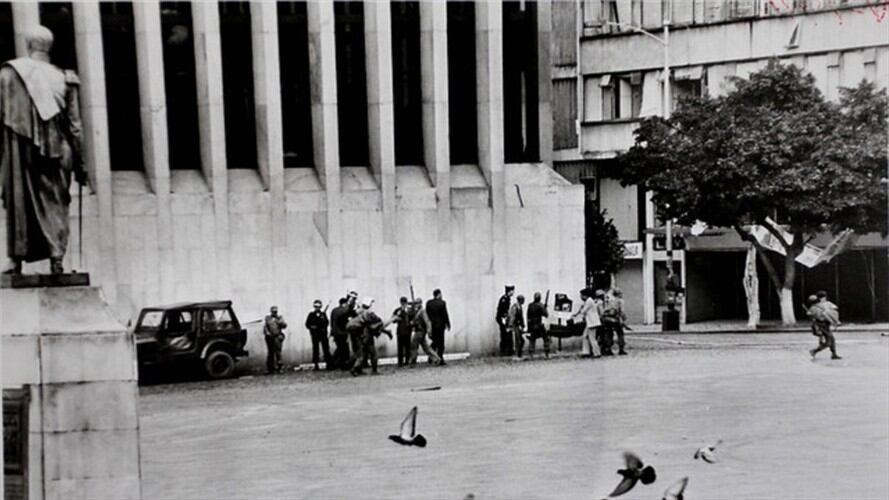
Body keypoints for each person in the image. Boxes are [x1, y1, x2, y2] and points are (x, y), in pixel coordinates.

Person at [1, 25, 87, 275]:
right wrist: (82, 164)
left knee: (20, 200)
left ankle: (15, 260)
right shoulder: (65, 77)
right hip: (58, 149)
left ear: (28, 46)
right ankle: (56, 260)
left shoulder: (8, 74)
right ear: (49, 47)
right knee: (56, 204)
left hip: (21, 149)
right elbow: (75, 126)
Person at [349, 297, 393, 376]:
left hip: (358, 335)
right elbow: (377, 323)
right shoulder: (369, 313)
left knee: (362, 354)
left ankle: (358, 369)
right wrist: (385, 330)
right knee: (373, 353)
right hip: (367, 335)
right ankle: (372, 370)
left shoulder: (357, 312)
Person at [408, 297, 443, 366]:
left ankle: (412, 361)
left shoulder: (422, 311)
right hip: (419, 331)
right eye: (415, 303)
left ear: (420, 303)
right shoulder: (417, 311)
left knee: (414, 346)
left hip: (420, 331)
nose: (415, 305)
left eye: (417, 303)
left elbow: (427, 321)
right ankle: (436, 359)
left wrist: (429, 331)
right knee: (426, 347)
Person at [808, 291, 841, 360]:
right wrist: (834, 322)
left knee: (832, 339)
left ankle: (834, 354)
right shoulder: (823, 306)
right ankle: (814, 351)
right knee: (829, 341)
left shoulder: (812, 308)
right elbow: (826, 315)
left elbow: (811, 316)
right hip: (823, 326)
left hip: (821, 326)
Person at [572, 288, 601, 358]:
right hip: (590, 322)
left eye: (581, 295)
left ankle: (597, 353)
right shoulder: (587, 301)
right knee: (585, 336)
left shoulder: (589, 301)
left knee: (592, 338)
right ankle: (586, 352)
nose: (580, 297)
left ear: (585, 295)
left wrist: (578, 314)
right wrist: (576, 314)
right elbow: (582, 309)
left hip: (592, 322)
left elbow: (584, 311)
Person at [305, 300, 332, 371]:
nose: (318, 308)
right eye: (316, 306)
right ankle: (316, 364)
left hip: (323, 334)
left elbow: (327, 323)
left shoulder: (323, 314)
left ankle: (328, 363)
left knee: (326, 349)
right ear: (314, 307)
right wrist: (313, 327)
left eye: (319, 307)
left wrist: (322, 327)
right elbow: (307, 324)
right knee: (315, 350)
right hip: (315, 335)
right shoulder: (311, 315)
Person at [426, 289, 451, 363]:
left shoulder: (429, 303)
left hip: (432, 325)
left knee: (435, 341)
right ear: (439, 294)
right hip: (440, 326)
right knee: (441, 343)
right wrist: (448, 324)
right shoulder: (442, 303)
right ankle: (440, 358)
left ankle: (431, 357)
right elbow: (445, 314)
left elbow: (427, 315)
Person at [329, 298, 352, 370]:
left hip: (335, 332)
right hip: (341, 332)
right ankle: (341, 364)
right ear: (344, 303)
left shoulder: (334, 310)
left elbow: (332, 322)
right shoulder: (343, 311)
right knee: (343, 349)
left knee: (340, 348)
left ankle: (333, 363)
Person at [263, 306, 287, 374]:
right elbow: (265, 327)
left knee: (278, 352)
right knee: (270, 353)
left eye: (275, 311)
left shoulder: (279, 318)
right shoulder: (268, 318)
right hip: (270, 337)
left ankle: (280, 367)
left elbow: (284, 326)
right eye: (273, 311)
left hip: (277, 336)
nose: (274, 313)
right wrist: (267, 332)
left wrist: (280, 322)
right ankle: (270, 368)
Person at [526, 292, 550, 359]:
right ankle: (547, 354)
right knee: (546, 338)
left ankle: (531, 355)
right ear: (540, 298)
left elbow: (528, 316)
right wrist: (545, 308)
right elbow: (546, 315)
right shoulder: (540, 305)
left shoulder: (530, 305)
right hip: (539, 325)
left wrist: (529, 327)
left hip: (533, 325)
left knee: (532, 339)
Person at [392, 297, 414, 367]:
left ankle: (403, 362)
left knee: (405, 347)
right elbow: (393, 320)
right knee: (403, 347)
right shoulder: (398, 310)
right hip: (402, 331)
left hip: (405, 330)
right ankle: (402, 362)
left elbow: (413, 317)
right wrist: (399, 314)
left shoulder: (409, 310)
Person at [496, 285, 515, 356]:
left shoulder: (507, 298)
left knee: (507, 334)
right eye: (512, 291)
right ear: (509, 291)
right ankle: (504, 351)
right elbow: (502, 311)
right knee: (505, 334)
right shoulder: (504, 299)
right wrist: (504, 320)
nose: (513, 292)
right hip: (502, 319)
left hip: (504, 318)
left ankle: (508, 350)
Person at [594, 289, 614, 356]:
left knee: (600, 336)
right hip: (602, 321)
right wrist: (607, 311)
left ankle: (603, 349)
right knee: (607, 334)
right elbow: (601, 313)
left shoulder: (595, 302)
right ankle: (606, 349)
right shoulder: (600, 303)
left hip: (596, 321)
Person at [508, 294, 526, 359]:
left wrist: (523, 324)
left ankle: (519, 354)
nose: (524, 301)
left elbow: (521, 317)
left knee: (521, 341)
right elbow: (512, 317)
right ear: (520, 300)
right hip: (515, 326)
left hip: (518, 326)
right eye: (523, 300)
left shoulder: (520, 307)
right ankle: (517, 355)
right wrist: (510, 326)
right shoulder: (515, 307)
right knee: (518, 341)